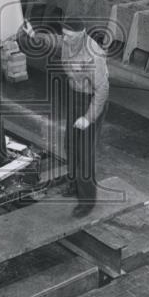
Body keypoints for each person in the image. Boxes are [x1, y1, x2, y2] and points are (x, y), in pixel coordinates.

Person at [21, 18, 109, 216]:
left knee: (84, 153)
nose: (65, 39)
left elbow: (102, 90)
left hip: (92, 102)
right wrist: (34, 34)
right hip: (75, 96)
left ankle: (87, 201)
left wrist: (88, 118)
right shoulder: (69, 41)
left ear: (81, 35)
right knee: (70, 144)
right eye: (64, 34)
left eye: (69, 36)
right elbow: (54, 41)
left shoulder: (93, 56)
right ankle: (74, 186)